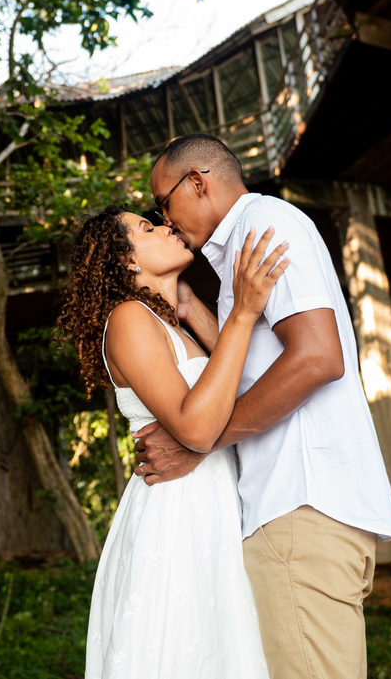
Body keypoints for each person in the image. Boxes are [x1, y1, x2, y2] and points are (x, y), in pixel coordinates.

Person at [135, 132, 391, 679]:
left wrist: (198, 443)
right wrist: (196, 314)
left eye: (162, 203)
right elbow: (262, 364)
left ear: (198, 182)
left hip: (299, 507)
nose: (164, 220)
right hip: (300, 509)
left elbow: (317, 358)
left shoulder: (264, 227)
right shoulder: (244, 246)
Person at [59, 205, 289, 678]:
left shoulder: (169, 324)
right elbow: (198, 427)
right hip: (177, 511)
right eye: (147, 227)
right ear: (126, 260)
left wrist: (186, 302)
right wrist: (243, 312)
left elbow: (242, 393)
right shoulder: (128, 318)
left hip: (214, 505)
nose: (166, 225)